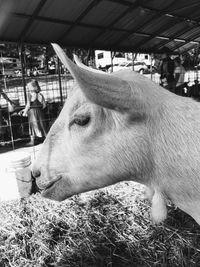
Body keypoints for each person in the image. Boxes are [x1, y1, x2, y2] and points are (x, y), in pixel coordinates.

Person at [23, 79, 47, 145]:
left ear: (32, 87)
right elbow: (44, 105)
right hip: (40, 112)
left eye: (28, 87)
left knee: (32, 125)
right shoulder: (40, 95)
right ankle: (46, 139)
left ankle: (32, 141)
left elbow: (28, 105)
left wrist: (25, 112)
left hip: (32, 112)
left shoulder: (29, 95)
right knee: (42, 124)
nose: (27, 88)